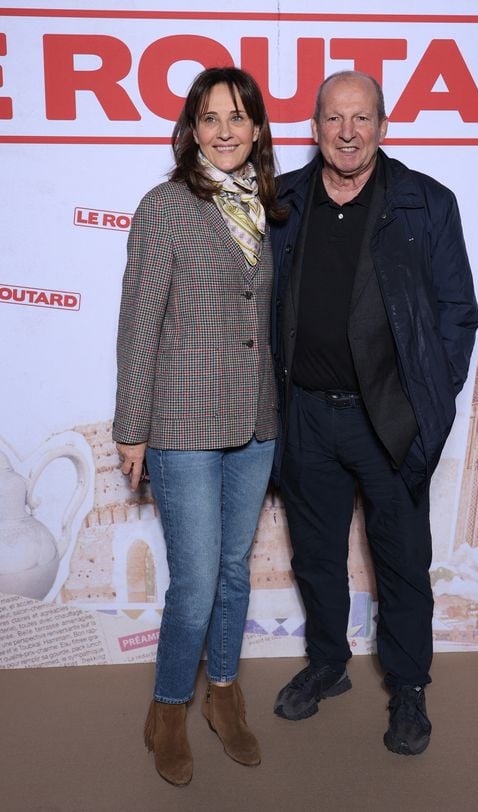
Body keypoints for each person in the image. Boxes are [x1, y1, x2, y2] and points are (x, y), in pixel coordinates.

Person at [270, 71, 478, 756]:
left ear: (383, 128)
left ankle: (410, 688)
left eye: (362, 119)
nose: (348, 132)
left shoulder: (425, 204)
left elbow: (458, 315)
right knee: (318, 556)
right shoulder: (284, 201)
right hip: (304, 413)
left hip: (388, 418)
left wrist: (428, 403)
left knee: (401, 558)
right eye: (334, 119)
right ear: (315, 128)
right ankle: (328, 664)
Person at [113, 67, 284, 785]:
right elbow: (139, 321)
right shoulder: (165, 206)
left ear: (255, 130)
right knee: (195, 583)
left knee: (235, 574)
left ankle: (224, 694)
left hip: (255, 420)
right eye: (211, 118)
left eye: (239, 118)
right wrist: (132, 426)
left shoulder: (265, 208)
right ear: (192, 129)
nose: (225, 131)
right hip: (182, 419)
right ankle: (168, 708)